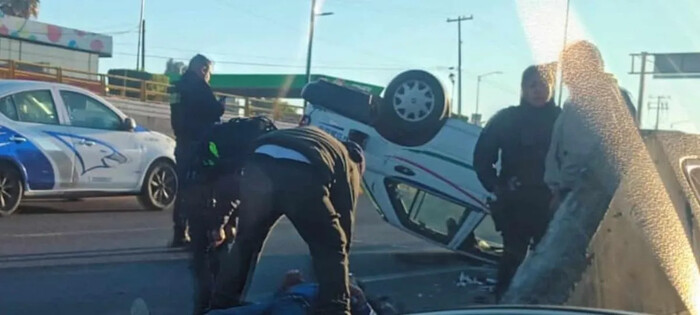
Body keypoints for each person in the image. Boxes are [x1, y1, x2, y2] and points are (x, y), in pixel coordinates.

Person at [210, 126, 365, 315]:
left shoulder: (320, 141)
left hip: (258, 161)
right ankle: (336, 309)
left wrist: (221, 220)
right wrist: (342, 277)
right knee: (331, 245)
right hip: (300, 172)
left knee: (246, 242)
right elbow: (345, 220)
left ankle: (222, 304)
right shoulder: (349, 163)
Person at [472, 64, 561, 301]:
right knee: (512, 261)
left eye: (543, 85)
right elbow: (482, 158)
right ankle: (505, 305)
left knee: (550, 265)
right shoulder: (507, 118)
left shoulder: (563, 121)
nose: (538, 90)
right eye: (533, 85)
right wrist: (497, 187)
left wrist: (564, 193)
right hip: (516, 204)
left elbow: (576, 157)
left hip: (551, 204)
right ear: (523, 89)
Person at [544, 40, 629, 210]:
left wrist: (564, 190)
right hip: (598, 192)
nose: (565, 73)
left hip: (582, 196)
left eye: (569, 66)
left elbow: (580, 153)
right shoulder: (610, 96)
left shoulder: (590, 100)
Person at [169, 54, 225, 247]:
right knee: (206, 186)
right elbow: (215, 111)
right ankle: (201, 233)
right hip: (202, 143)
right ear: (202, 69)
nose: (209, 75)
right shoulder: (200, 87)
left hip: (182, 142)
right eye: (208, 71)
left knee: (184, 188)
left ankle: (179, 232)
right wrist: (221, 105)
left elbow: (176, 115)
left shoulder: (177, 87)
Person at [207, 270, 376, 315]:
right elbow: (277, 299)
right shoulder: (314, 284)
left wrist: (360, 298)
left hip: (300, 308)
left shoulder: (348, 295)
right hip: (277, 303)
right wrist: (286, 285)